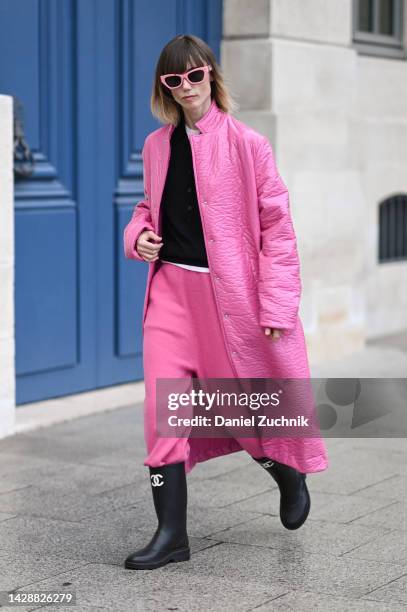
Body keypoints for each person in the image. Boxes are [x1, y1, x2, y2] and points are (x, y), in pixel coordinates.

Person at [123, 34, 328, 571]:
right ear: (164, 87)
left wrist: (277, 307)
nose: (187, 86)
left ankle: (285, 471)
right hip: (170, 294)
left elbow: (277, 230)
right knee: (160, 412)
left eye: (195, 75)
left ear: (211, 75)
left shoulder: (248, 145)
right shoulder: (155, 146)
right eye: (175, 79)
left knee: (237, 408)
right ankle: (171, 535)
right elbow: (148, 206)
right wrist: (138, 234)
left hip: (228, 300)